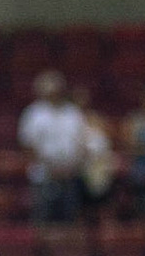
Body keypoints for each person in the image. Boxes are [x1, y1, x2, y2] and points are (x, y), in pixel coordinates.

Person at [18, 70, 91, 224]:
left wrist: (71, 166)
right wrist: (51, 167)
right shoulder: (33, 114)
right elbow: (28, 146)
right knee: (44, 220)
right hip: (44, 176)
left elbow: (82, 142)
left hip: (70, 175)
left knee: (70, 220)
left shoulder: (73, 113)